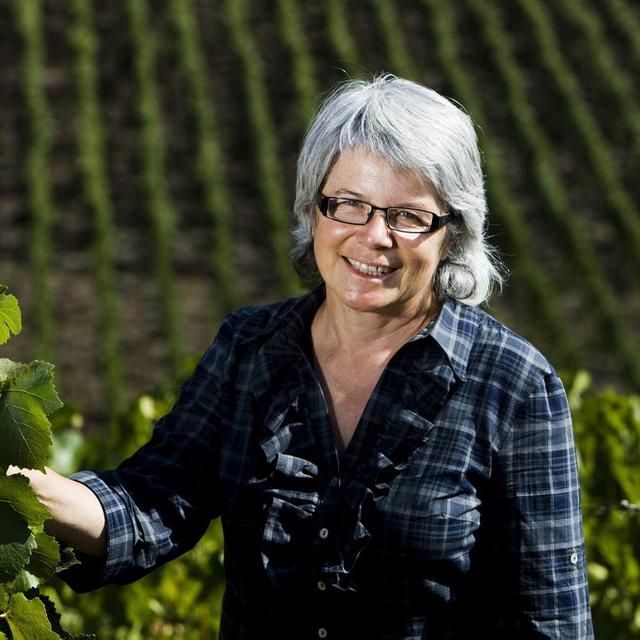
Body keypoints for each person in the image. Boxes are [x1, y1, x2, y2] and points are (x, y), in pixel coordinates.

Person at [18, 75, 593, 639]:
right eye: (349, 205)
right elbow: (151, 505)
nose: (375, 236)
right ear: (313, 210)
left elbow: (548, 622)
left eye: (409, 216)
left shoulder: (514, 385)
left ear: (452, 232)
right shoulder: (249, 350)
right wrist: (18, 482)